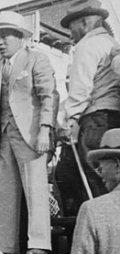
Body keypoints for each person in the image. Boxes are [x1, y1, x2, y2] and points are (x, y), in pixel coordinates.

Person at [0, 11, 57, 254]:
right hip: (4, 137)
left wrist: (45, 129)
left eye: (6, 36)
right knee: (5, 193)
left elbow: (48, 96)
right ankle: (6, 245)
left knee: (35, 189)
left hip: (32, 136)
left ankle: (40, 244)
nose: (1, 42)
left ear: (21, 37)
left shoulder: (36, 59)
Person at [57, 0, 120, 210]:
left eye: (71, 27)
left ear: (84, 23)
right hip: (113, 120)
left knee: (94, 182)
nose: (70, 34)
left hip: (95, 121)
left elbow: (80, 90)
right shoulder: (111, 43)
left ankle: (95, 229)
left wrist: (69, 120)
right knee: (111, 180)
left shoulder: (86, 46)